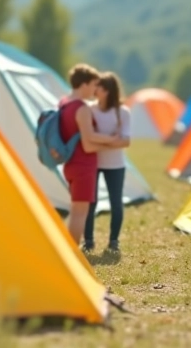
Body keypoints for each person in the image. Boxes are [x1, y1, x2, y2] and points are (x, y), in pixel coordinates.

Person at [56, 63, 126, 249]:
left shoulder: (64, 102)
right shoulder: (83, 109)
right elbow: (88, 144)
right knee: (81, 212)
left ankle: (72, 249)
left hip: (71, 163)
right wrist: (112, 139)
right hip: (83, 165)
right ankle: (73, 252)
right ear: (85, 84)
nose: (95, 89)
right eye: (94, 84)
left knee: (77, 209)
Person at [84, 72, 131, 253]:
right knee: (90, 202)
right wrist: (112, 139)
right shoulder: (89, 109)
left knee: (115, 202)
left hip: (116, 165)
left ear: (109, 91)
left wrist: (99, 142)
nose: (96, 90)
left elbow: (126, 141)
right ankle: (88, 241)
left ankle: (113, 241)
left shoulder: (123, 112)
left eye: (100, 87)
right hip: (93, 163)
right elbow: (87, 138)